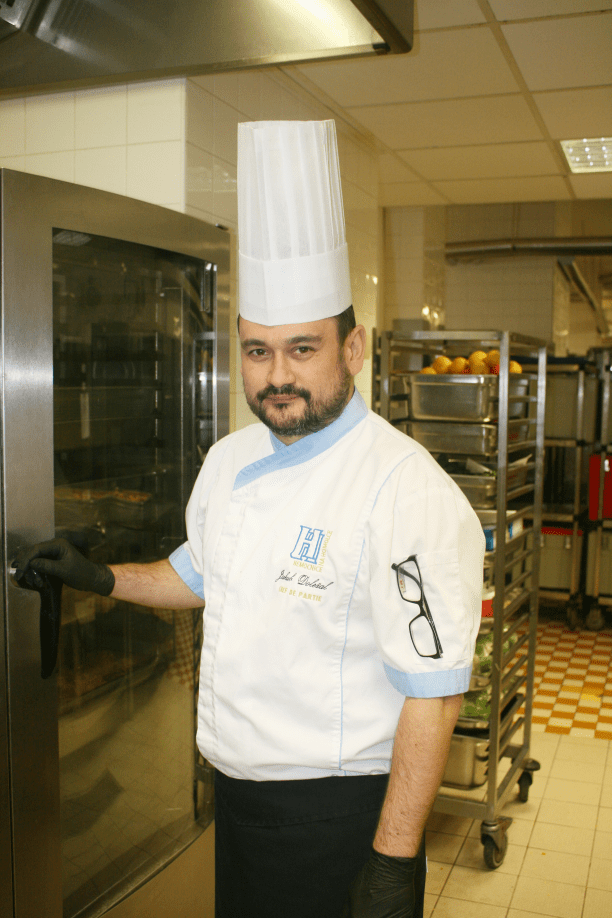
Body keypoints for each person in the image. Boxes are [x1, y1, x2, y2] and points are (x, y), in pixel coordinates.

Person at [13, 120, 485, 918]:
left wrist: (392, 861)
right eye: (258, 351)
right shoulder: (231, 459)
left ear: (354, 348)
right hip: (237, 803)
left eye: (303, 349)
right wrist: (99, 577)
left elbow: (433, 695)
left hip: (336, 813)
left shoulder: (406, 489)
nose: (277, 377)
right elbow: (199, 576)